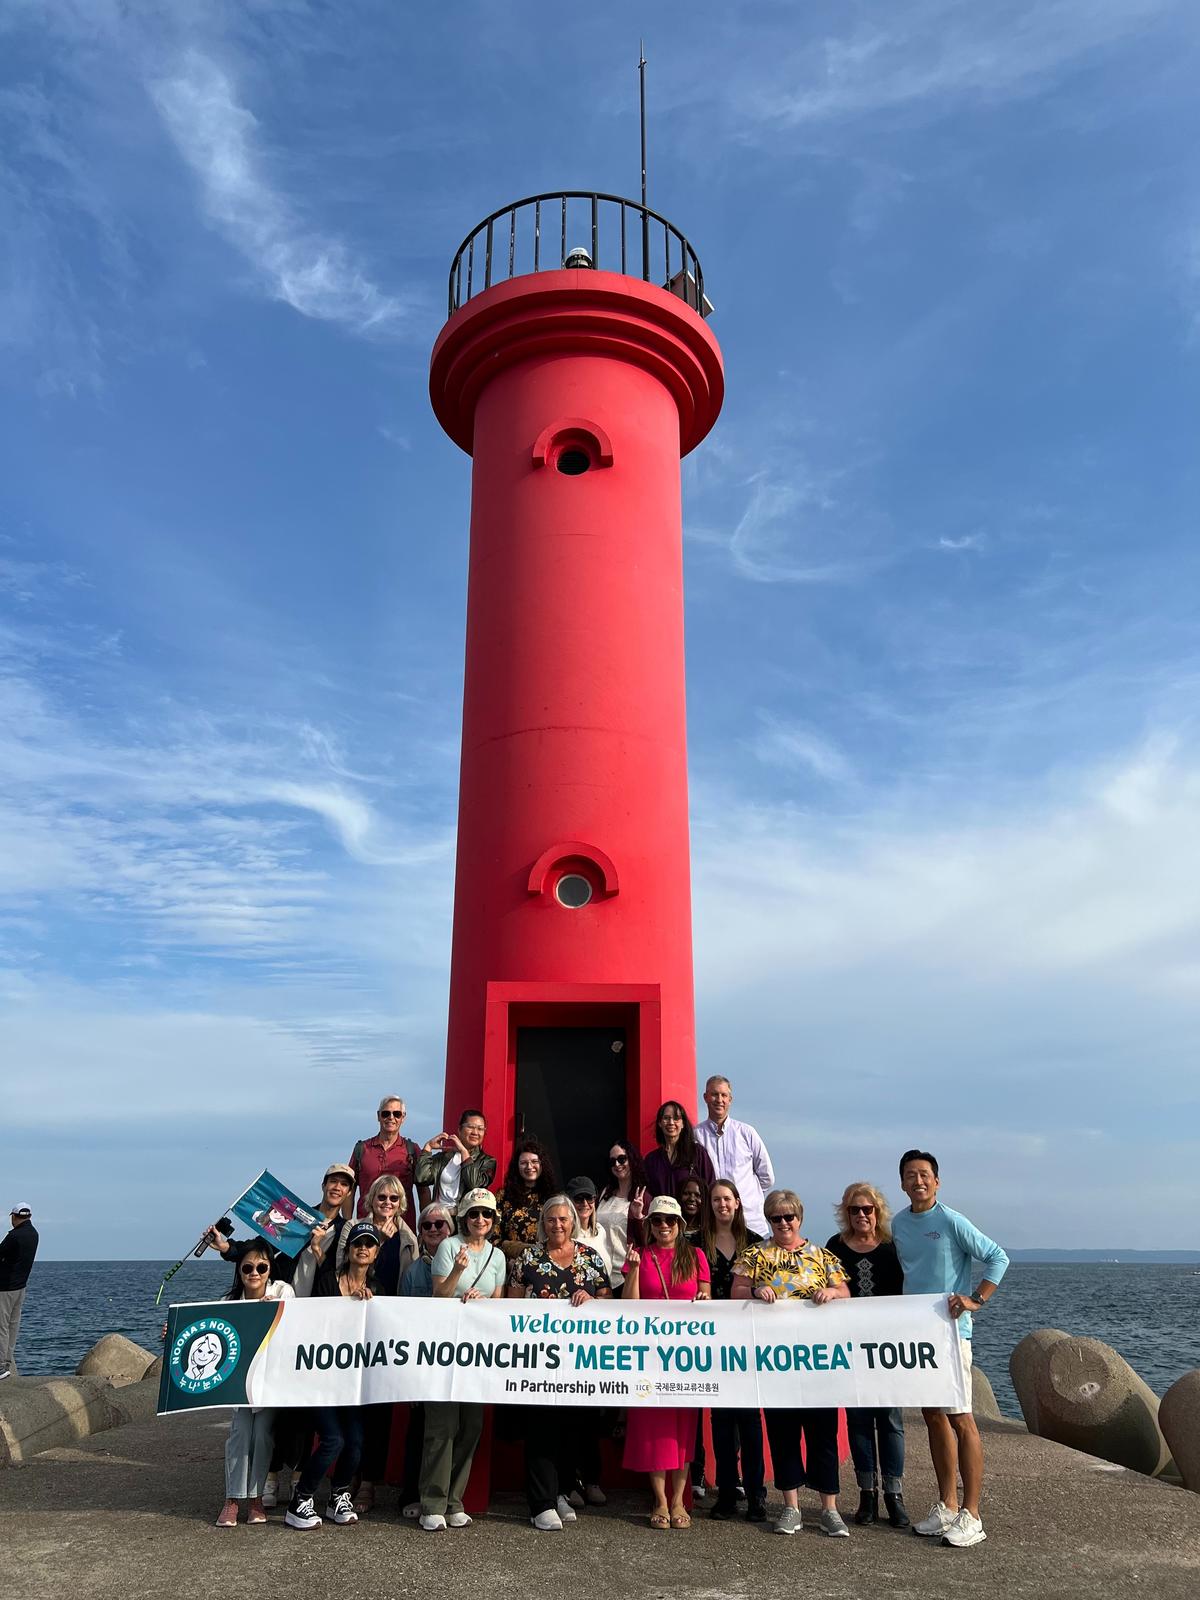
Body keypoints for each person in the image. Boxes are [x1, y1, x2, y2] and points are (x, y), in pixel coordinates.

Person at [891, 1150, 1009, 1550]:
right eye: (910, 1175)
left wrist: (976, 1298)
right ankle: (947, 1504)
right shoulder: (900, 1223)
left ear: (937, 1182)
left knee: (962, 1419)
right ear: (902, 1183)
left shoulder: (951, 1220)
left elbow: (997, 1257)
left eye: (924, 1175)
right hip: (918, 1336)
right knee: (933, 1417)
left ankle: (972, 1515)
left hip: (952, 1334)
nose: (918, 1181)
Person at [732, 1188, 851, 1537]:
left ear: (799, 1217)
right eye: (775, 1218)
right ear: (768, 1221)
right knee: (782, 1434)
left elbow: (845, 1292)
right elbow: (735, 1291)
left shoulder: (822, 1256)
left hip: (817, 1361)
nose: (783, 1223)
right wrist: (755, 1291)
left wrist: (832, 1292)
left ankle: (829, 1509)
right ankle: (791, 1506)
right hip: (775, 1361)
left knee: (823, 1434)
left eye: (789, 1217)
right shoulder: (755, 1255)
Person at [507, 1195, 610, 1531]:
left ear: (573, 1223)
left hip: (581, 1362)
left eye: (564, 1219)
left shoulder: (590, 1258)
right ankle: (541, 1503)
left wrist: (592, 1300)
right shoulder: (528, 1258)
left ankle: (562, 1491)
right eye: (551, 1219)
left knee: (571, 1428)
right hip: (539, 1361)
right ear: (543, 1224)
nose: (558, 1225)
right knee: (541, 1428)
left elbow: (609, 1304)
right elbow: (511, 1306)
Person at [259, 1162, 356, 1509]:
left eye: (344, 1184)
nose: (337, 1188)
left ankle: (299, 1474)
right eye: (333, 1181)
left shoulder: (347, 1230)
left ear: (349, 1192)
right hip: (287, 1317)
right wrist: (226, 1248)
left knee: (308, 1406)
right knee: (282, 1404)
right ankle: (270, 1475)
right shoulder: (299, 1217)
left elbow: (342, 1276)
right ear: (324, 1184)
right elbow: (264, 1245)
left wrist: (319, 1253)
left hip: (321, 1327)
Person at [420, 1187, 506, 1532]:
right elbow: (438, 1294)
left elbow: (497, 1303)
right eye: (474, 1214)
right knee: (442, 1426)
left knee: (471, 1426)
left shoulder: (497, 1257)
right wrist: (457, 1274)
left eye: (486, 1215)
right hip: (445, 1346)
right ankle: (432, 1502)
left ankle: (455, 1501)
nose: (480, 1220)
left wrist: (482, 1301)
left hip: (479, 1351)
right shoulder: (448, 1247)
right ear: (464, 1219)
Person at [286, 1220, 382, 1530]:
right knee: (333, 1440)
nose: (363, 1249)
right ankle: (300, 1499)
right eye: (358, 1244)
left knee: (355, 1442)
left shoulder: (379, 1290)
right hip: (323, 1377)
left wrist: (372, 1305)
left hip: (354, 1380)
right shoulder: (328, 1281)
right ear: (349, 1249)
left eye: (369, 1244)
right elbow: (315, 1321)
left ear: (376, 1252)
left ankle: (339, 1495)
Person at [623, 1194, 711, 1529]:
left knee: (683, 1426)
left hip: (685, 1354)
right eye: (657, 1220)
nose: (663, 1226)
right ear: (649, 1224)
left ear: (680, 1225)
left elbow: (706, 1299)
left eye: (670, 1221)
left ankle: (678, 1500)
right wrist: (631, 1270)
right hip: (648, 1352)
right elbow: (630, 1304)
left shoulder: (696, 1256)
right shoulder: (641, 1255)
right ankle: (660, 1500)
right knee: (653, 1424)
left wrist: (703, 1299)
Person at [826, 1182, 908, 1528]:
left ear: (878, 1212)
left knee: (890, 1420)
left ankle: (894, 1495)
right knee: (858, 1420)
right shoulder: (834, 1247)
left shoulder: (893, 1247)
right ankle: (867, 1495)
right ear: (846, 1213)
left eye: (868, 1209)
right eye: (854, 1210)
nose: (862, 1215)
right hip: (849, 1346)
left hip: (887, 1347)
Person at [343, 1174, 419, 1513]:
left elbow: (411, 1280)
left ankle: (370, 1481)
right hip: (354, 1322)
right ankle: (350, 1476)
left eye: (393, 1199)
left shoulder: (407, 1236)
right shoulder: (353, 1230)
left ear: (401, 1203)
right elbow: (341, 1269)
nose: (387, 1203)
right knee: (351, 1404)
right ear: (370, 1199)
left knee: (380, 1409)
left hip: (388, 1325)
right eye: (381, 1197)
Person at [701, 1179, 766, 1522]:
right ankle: (727, 1493)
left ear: (738, 1203)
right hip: (712, 1340)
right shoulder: (697, 1242)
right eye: (716, 1199)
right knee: (722, 1419)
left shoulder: (756, 1244)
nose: (721, 1204)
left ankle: (756, 1495)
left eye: (727, 1199)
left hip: (748, 1340)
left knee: (751, 1420)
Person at [215, 1243, 293, 1526]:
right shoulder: (230, 1300)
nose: (255, 1273)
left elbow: (295, 1323)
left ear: (270, 1268)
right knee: (240, 1433)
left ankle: (256, 1497)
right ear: (240, 1270)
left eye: (261, 1267)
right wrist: (172, 1330)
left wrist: (273, 1308)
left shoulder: (283, 1291)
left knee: (262, 1434)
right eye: (247, 1267)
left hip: (271, 1381)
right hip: (241, 1382)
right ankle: (233, 1499)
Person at [395, 1202, 456, 1518]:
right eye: (426, 1225)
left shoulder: (463, 1262)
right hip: (423, 1361)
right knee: (418, 1432)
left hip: (459, 1359)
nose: (433, 1230)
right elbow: (403, 1319)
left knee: (449, 1433)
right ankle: (411, 1494)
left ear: (450, 1228)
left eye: (439, 1224)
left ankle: (448, 1498)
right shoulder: (413, 1271)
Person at [694, 1076, 775, 1237]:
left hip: (750, 1222)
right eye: (714, 1094)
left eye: (724, 1095)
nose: (719, 1100)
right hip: (712, 1225)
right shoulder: (695, 1135)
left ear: (730, 1099)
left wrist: (747, 1196)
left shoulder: (746, 1133)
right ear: (705, 1097)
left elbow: (767, 1177)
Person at [348, 1096, 420, 1219]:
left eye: (397, 1114)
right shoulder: (362, 1149)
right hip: (366, 1226)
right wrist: (347, 1222)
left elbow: (423, 1191)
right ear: (378, 1116)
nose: (391, 1117)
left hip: (402, 1228)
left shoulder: (412, 1150)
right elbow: (350, 1189)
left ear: (403, 1117)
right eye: (386, 1113)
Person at [415, 1110, 496, 1210]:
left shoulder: (487, 1161)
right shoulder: (444, 1158)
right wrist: (428, 1147)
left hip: (464, 1220)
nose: (475, 1132)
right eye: (470, 1127)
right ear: (459, 1129)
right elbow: (421, 1179)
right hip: (440, 1219)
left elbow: (473, 1184)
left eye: (480, 1129)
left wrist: (463, 1151)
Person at [596, 1140, 649, 1292]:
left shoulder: (643, 1196)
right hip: (600, 1274)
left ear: (632, 1159)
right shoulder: (605, 1193)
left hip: (625, 1275)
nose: (617, 1165)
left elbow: (647, 1241)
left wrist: (638, 1216)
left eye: (622, 1159)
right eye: (612, 1161)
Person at [496, 1137, 559, 1261]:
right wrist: (507, 1261)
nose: (529, 1166)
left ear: (542, 1164)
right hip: (512, 1263)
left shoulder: (553, 1198)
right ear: (516, 1166)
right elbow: (493, 1235)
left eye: (534, 1161)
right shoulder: (503, 1196)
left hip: (546, 1263)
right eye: (523, 1163)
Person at [643, 1102, 715, 1200]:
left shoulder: (697, 1153)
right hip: (661, 1214)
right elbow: (647, 1194)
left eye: (676, 1118)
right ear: (660, 1123)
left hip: (690, 1214)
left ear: (683, 1124)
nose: (671, 1122)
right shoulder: (651, 1160)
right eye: (666, 1118)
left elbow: (710, 1187)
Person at [0, 1204, 38, 1379]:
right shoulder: (34, 1234)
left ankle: (1, 1366)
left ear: (15, 1216)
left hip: (5, 1288)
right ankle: (7, 1363)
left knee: (1, 1327)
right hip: (21, 1287)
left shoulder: (14, 1236)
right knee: (13, 1326)